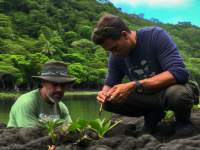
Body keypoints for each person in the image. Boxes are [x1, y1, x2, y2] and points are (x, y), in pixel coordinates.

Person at [91, 14, 200, 136]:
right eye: (110, 51)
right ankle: (152, 113)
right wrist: (104, 93)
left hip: (168, 91)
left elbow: (179, 73)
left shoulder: (156, 36)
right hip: (145, 96)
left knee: (179, 94)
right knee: (108, 101)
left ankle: (183, 118)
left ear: (125, 35)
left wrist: (134, 85)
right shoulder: (115, 56)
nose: (114, 53)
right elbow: (109, 84)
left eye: (114, 48)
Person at [7, 61, 77, 127]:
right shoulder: (27, 102)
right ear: (43, 82)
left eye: (63, 85)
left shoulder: (62, 108)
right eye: (55, 84)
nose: (59, 89)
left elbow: (69, 130)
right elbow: (30, 136)